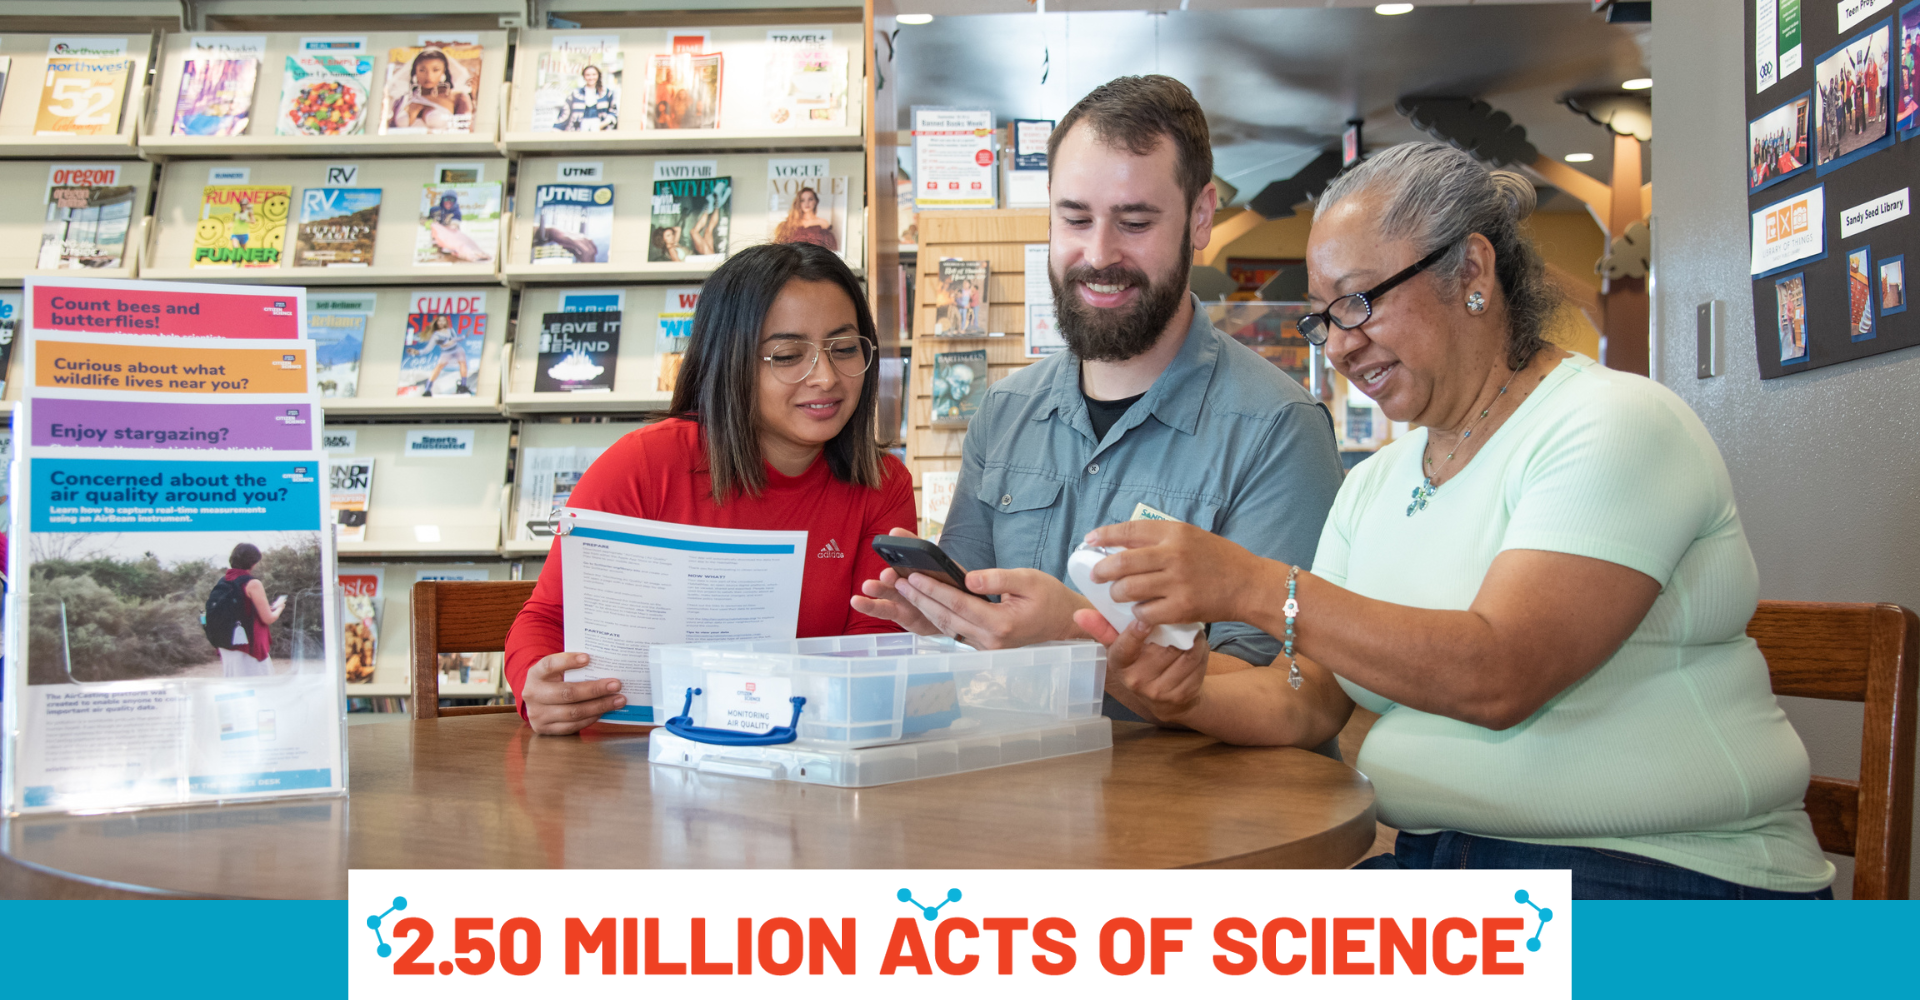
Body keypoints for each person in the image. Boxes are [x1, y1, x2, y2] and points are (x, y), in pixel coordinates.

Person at [1079, 142, 1835, 899]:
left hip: (1670, 883)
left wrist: (1252, 587)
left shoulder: (1614, 423)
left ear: (1472, 271)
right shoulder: (1373, 484)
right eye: (1323, 318)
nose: (1341, 342)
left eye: (1359, 300)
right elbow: (1304, 700)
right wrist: (1181, 692)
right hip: (1442, 868)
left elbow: (1501, 674)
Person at [852, 75, 1346, 738]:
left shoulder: (1279, 430)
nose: (1099, 254)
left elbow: (1295, 695)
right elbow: (982, 637)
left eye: (1135, 222)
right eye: (1075, 219)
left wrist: (1076, 639)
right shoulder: (1003, 414)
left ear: (1201, 217)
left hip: (1197, 827)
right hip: (1024, 802)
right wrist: (945, 619)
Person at [506, 242, 914, 735]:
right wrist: (539, 683)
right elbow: (548, 617)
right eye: (787, 355)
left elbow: (873, 655)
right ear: (730, 360)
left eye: (845, 349)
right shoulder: (642, 465)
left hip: (802, 763)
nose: (826, 377)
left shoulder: (883, 485)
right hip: (641, 758)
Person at [214, 543, 285, 678]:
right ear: (253, 562)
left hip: (226, 641)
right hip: (248, 643)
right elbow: (268, 618)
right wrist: (279, 608)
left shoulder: (223, 581)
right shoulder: (252, 583)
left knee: (235, 685)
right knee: (259, 686)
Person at [388, 47, 473, 132]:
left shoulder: (458, 97)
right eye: (422, 70)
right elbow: (388, 130)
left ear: (443, 72)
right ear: (415, 72)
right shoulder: (401, 100)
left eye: (435, 70)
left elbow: (466, 131)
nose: (429, 76)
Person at [772, 187, 837, 251]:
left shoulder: (823, 223)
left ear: (816, 201)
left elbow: (830, 249)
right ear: (798, 203)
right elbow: (779, 247)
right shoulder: (789, 223)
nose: (806, 203)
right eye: (802, 200)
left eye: (810, 199)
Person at [561, 65, 617, 132]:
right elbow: (565, 112)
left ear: (598, 75)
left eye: (594, 74)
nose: (591, 77)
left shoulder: (606, 93)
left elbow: (613, 111)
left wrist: (604, 123)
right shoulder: (576, 93)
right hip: (581, 128)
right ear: (584, 76)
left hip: (600, 128)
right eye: (588, 75)